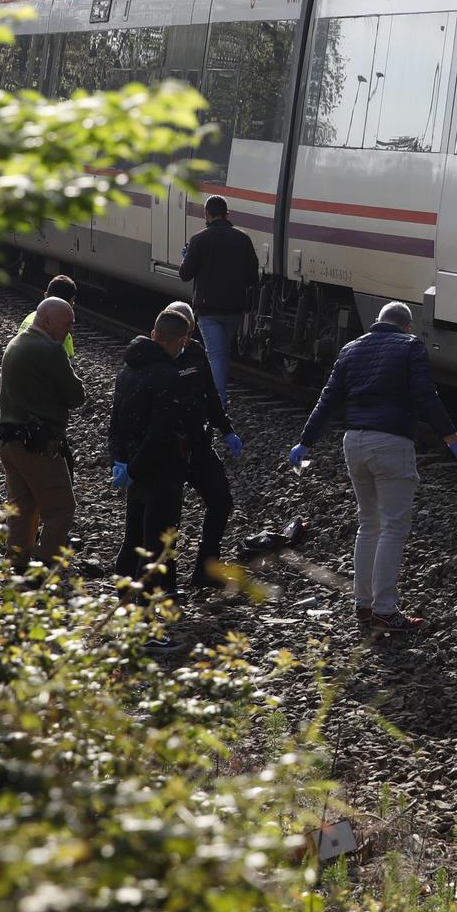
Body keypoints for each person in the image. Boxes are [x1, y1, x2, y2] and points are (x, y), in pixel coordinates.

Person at [287, 301, 457, 634]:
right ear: (407, 326)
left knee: (368, 524)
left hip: (354, 443)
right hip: (391, 444)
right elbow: (425, 395)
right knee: (393, 527)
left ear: (377, 322)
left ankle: (364, 605)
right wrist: (452, 439)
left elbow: (328, 398)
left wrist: (306, 442)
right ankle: (386, 610)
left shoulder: (350, 349)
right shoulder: (410, 346)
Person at [108, 310, 194, 639]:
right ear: (177, 340)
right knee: (154, 547)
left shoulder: (128, 369)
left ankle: (123, 603)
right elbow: (161, 434)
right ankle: (142, 623)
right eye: (182, 342)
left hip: (134, 471)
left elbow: (115, 423)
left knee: (132, 539)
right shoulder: (167, 376)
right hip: (161, 474)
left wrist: (123, 463)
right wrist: (138, 466)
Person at [0, 296, 84, 570]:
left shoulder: (16, 343)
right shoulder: (49, 351)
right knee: (61, 508)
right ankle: (46, 564)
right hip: (37, 444)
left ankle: (18, 563)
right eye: (66, 325)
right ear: (46, 321)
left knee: (22, 506)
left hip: (9, 440)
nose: (69, 331)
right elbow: (76, 396)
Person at [161, 300, 241, 591]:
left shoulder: (195, 352)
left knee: (220, 500)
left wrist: (227, 430)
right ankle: (165, 581)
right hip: (167, 450)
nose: (186, 339)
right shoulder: (157, 356)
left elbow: (209, 394)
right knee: (168, 515)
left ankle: (206, 570)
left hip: (198, 445)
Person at [177, 194, 258, 408]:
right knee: (223, 353)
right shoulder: (243, 239)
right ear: (227, 214)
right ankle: (218, 398)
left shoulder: (198, 239)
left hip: (208, 308)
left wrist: (186, 257)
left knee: (216, 354)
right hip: (234, 308)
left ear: (207, 214)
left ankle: (219, 402)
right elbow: (252, 277)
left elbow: (185, 274)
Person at [17, 274, 78, 357]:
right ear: (71, 301)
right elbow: (66, 365)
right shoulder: (61, 330)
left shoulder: (29, 317)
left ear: (45, 295)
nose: (71, 330)